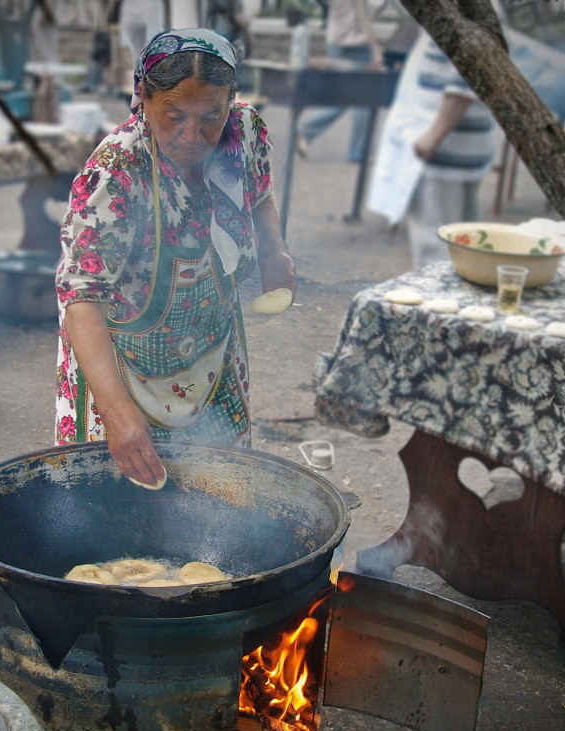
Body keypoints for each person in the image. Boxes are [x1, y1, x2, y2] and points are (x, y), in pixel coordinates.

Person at [55, 28, 296, 487]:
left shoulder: (244, 130)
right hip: (123, 371)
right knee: (115, 508)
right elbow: (81, 298)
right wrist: (116, 411)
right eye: (175, 115)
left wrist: (274, 251)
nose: (192, 135)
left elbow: (260, 191)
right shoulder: (117, 171)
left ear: (231, 99)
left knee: (221, 496)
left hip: (213, 350)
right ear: (144, 97)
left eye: (211, 115)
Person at [366, 30, 497, 269]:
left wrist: (434, 136)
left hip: (441, 154)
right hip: (449, 150)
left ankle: (440, 304)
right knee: (460, 249)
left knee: (437, 251)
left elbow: (464, 78)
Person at [296, 0, 383, 162]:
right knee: (363, 99)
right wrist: (375, 46)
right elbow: (362, 17)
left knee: (341, 97)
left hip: (336, 39)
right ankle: (358, 151)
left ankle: (306, 130)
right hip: (357, 42)